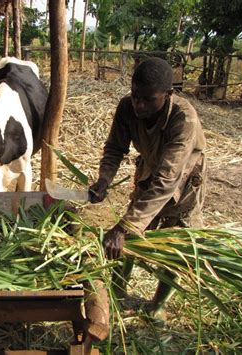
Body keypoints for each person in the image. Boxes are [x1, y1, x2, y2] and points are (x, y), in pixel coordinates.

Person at [89, 57, 207, 319]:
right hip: (150, 170)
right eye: (135, 96)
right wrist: (104, 180)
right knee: (129, 237)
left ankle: (157, 306)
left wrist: (123, 226)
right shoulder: (127, 108)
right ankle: (117, 296)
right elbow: (115, 148)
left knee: (178, 245)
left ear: (168, 94)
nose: (139, 105)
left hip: (185, 181)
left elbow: (168, 179)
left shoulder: (183, 118)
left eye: (148, 99)